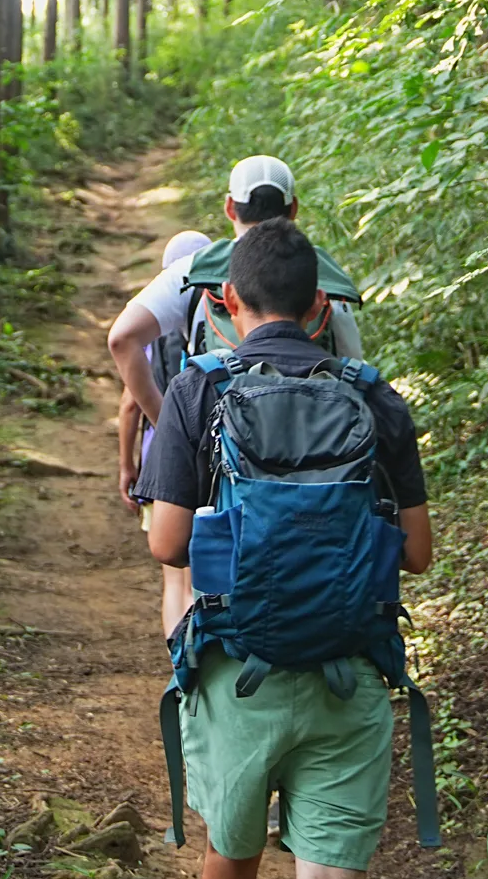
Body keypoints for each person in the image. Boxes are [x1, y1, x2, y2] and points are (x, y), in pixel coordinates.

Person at [141, 218, 433, 879]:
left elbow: (166, 536)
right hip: (349, 685)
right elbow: (420, 553)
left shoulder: (203, 390)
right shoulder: (374, 399)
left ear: (225, 303)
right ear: (321, 309)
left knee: (230, 852)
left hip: (239, 679)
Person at [107, 157, 356, 638]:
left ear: (228, 207)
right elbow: (355, 375)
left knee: (189, 573)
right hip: (313, 455)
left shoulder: (196, 271)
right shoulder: (320, 276)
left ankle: (193, 685)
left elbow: (122, 340)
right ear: (294, 209)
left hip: (215, 448)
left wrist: (174, 426)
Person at [115, 229, 211, 637]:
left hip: (163, 460)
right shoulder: (217, 321)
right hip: (213, 455)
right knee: (205, 568)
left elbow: (129, 405)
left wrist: (127, 466)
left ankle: (181, 662)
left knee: (173, 578)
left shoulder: (152, 326)